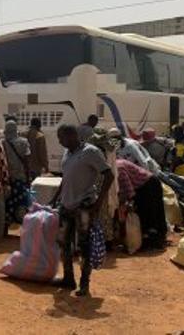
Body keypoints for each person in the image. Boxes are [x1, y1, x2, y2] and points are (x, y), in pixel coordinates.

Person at [52, 124, 113, 297]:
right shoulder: (67, 152)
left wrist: (98, 204)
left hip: (84, 206)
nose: (59, 141)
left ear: (72, 135)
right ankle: (68, 279)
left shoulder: (90, 152)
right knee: (63, 243)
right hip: (66, 205)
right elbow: (66, 177)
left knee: (84, 245)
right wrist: (56, 197)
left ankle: (84, 283)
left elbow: (109, 175)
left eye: (61, 137)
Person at [116, 158, 167, 250]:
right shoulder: (118, 164)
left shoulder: (118, 169)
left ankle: (152, 241)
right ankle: (158, 239)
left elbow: (129, 191)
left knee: (149, 215)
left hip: (147, 185)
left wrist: (128, 205)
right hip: (147, 183)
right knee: (156, 212)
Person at [1, 120, 31, 232]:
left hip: (6, 179)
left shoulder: (2, 143)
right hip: (20, 178)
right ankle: (21, 228)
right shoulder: (24, 142)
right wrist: (28, 177)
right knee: (21, 202)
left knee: (7, 202)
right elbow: (27, 162)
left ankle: (6, 228)